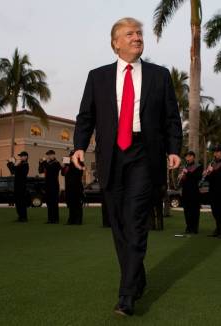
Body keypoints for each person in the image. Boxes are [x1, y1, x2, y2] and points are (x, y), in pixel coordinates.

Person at [72, 17, 182, 316]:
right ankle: (138, 277)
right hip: (111, 157)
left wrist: (174, 149)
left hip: (145, 154)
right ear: (116, 42)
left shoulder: (160, 76)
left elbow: (172, 117)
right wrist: (79, 146)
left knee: (134, 221)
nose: (137, 37)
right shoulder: (98, 77)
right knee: (118, 225)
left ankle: (127, 296)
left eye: (140, 33)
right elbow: (86, 116)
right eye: (130, 34)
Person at [178, 151, 203, 234]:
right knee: (186, 210)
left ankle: (194, 228)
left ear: (193, 157)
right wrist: (181, 177)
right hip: (185, 191)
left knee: (194, 210)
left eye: (189, 156)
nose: (187, 158)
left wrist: (187, 172)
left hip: (194, 191)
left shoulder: (198, 166)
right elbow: (184, 180)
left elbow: (197, 177)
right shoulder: (185, 167)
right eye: (186, 157)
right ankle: (188, 227)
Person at [39, 150, 62, 224]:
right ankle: (50, 219)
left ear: (54, 155)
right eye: (48, 155)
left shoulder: (56, 163)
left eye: (50, 155)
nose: (49, 156)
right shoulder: (47, 163)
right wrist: (40, 163)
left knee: (54, 203)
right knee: (49, 202)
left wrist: (44, 162)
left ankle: (55, 219)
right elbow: (40, 171)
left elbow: (51, 169)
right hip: (47, 185)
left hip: (54, 185)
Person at [61, 151, 84, 225]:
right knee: (71, 204)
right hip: (69, 187)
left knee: (77, 204)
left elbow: (78, 172)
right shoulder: (68, 164)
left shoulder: (79, 163)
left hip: (77, 187)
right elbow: (63, 173)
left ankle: (78, 220)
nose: (71, 157)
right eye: (70, 156)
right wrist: (64, 166)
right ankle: (71, 220)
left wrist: (70, 165)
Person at [7, 151, 29, 222]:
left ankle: (24, 217)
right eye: (20, 156)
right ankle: (20, 216)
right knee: (18, 202)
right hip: (17, 185)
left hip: (22, 186)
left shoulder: (25, 164)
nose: (20, 157)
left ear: (26, 157)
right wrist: (10, 163)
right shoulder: (20, 164)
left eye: (22, 156)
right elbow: (12, 171)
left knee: (22, 202)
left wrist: (14, 164)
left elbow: (16, 171)